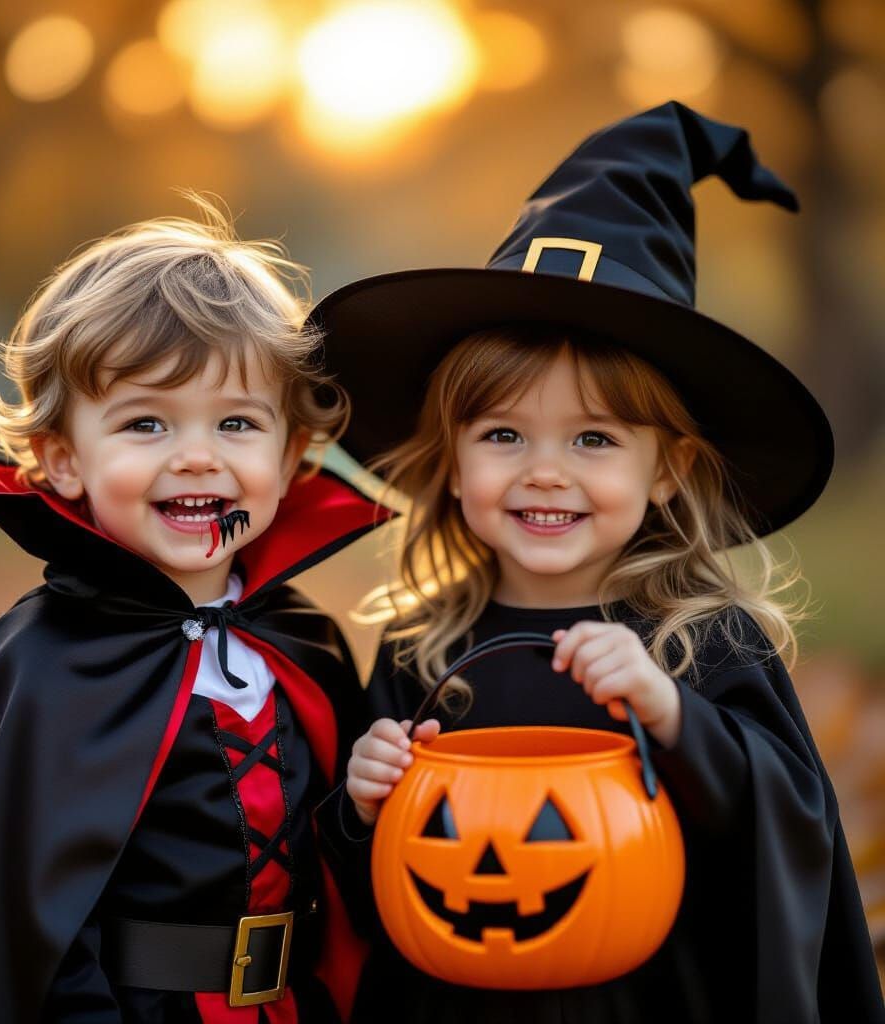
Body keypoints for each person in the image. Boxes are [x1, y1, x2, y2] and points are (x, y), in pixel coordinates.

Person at [312, 103, 885, 1022]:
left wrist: (673, 715)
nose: (546, 471)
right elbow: (367, 883)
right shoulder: (426, 649)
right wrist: (360, 803)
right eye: (503, 435)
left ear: (668, 470)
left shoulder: (703, 643)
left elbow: (790, 831)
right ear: (451, 463)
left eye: (594, 439)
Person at [0, 197, 392, 1024]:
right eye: (146, 423)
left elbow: (350, 878)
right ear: (64, 459)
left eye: (237, 423)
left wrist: (359, 814)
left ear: (290, 457)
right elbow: (28, 935)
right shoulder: (45, 663)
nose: (197, 457)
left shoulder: (305, 643)